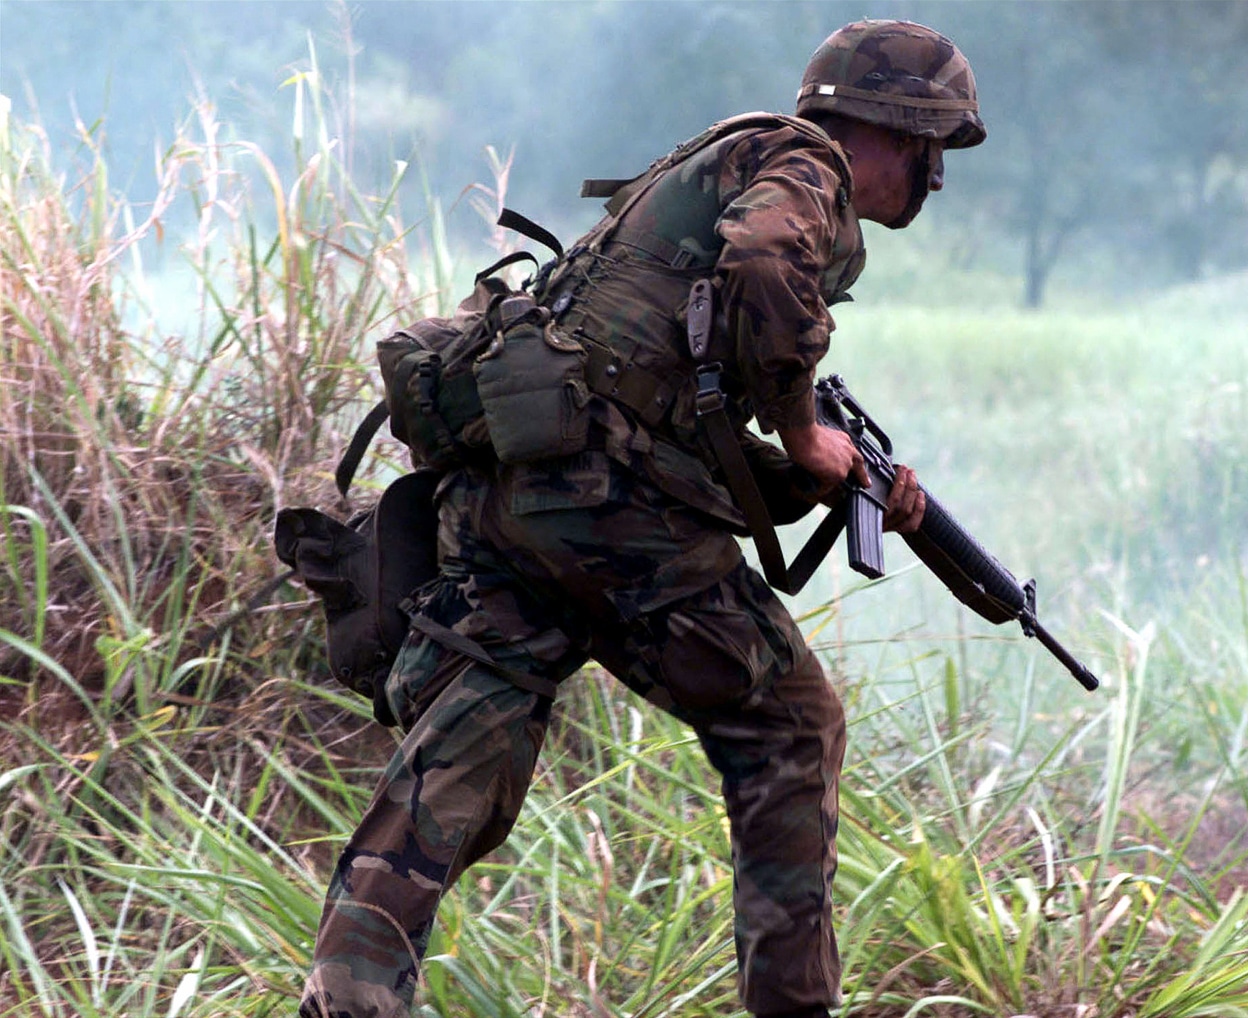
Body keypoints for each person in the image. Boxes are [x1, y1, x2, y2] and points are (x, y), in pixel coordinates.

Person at [299, 19, 986, 1018]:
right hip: (611, 514)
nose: (932, 182)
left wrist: (827, 478)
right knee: (789, 723)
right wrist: (800, 433)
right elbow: (760, 265)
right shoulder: (803, 163)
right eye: (935, 156)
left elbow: (662, 403)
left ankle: (346, 999)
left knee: (453, 764)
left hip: (522, 492)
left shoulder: (720, 166)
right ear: (907, 134)